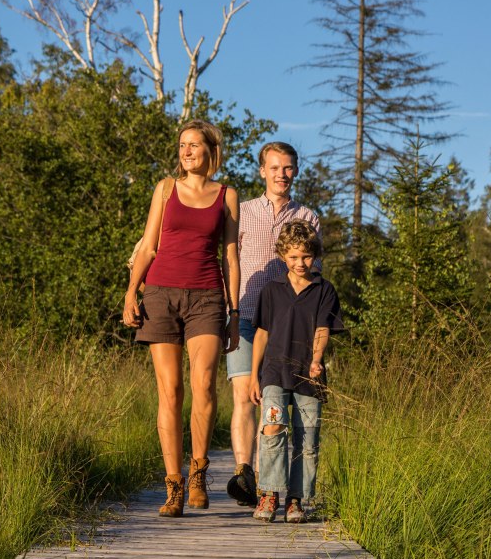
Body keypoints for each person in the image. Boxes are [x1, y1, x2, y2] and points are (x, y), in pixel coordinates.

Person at [123, 119, 240, 518]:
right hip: (159, 293)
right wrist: (129, 293)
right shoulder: (165, 189)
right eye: (182, 145)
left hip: (207, 297)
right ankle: (173, 485)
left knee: (204, 385)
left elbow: (230, 257)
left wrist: (235, 312)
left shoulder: (227, 195)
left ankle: (198, 473)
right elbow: (148, 245)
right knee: (170, 391)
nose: (186, 151)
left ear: (211, 151)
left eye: (194, 145)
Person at [225, 142, 320, 507]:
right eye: (275, 167)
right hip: (245, 317)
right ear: (262, 170)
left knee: (277, 402)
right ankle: (245, 474)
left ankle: (271, 485)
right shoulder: (243, 213)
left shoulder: (308, 217)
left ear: (295, 171)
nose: (282, 174)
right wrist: (229, 311)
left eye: (289, 168)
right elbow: (228, 260)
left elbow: (314, 275)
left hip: (288, 326)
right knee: (244, 397)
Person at [249, 220, 344, 523]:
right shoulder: (272, 290)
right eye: (293, 257)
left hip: (308, 377)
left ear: (314, 255)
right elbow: (262, 333)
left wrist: (317, 359)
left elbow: (322, 328)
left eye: (306, 256)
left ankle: (296, 499)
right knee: (273, 428)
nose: (300, 263)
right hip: (274, 373)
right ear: (282, 256)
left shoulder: (323, 290)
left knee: (308, 439)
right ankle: (269, 494)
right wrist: (254, 376)